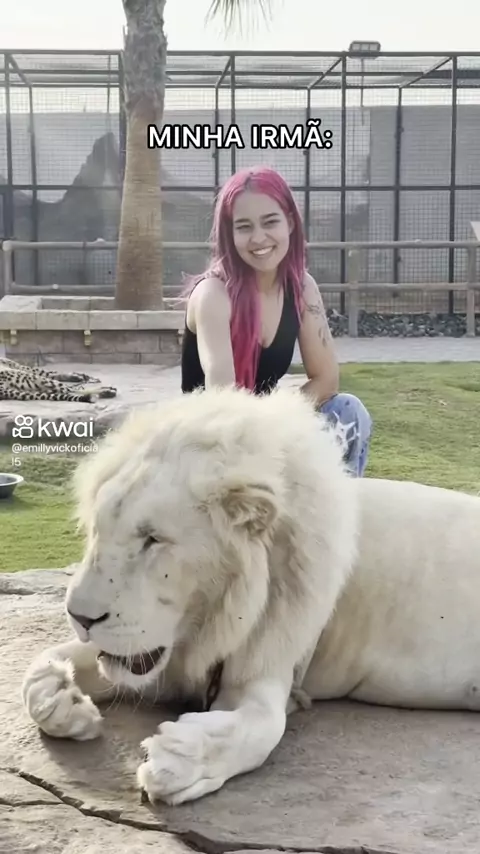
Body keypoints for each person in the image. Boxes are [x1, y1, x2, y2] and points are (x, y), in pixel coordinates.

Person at [181, 165, 372, 477]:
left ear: (291, 223)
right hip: (214, 442)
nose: (258, 238)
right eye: (244, 227)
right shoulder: (213, 295)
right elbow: (223, 401)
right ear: (230, 234)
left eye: (270, 222)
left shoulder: (302, 288)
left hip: (268, 428)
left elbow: (326, 380)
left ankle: (337, 505)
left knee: (348, 412)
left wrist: (282, 416)